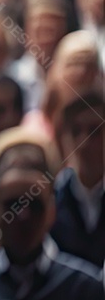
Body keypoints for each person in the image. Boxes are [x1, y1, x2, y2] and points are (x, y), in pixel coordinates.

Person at [0, 164, 104, 299]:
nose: (23, 215)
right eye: (12, 205)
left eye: (34, 205)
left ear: (52, 213)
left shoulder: (84, 288)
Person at [50, 91, 105, 266]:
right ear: (62, 139)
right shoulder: (51, 199)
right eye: (75, 131)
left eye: (94, 131)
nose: (84, 142)